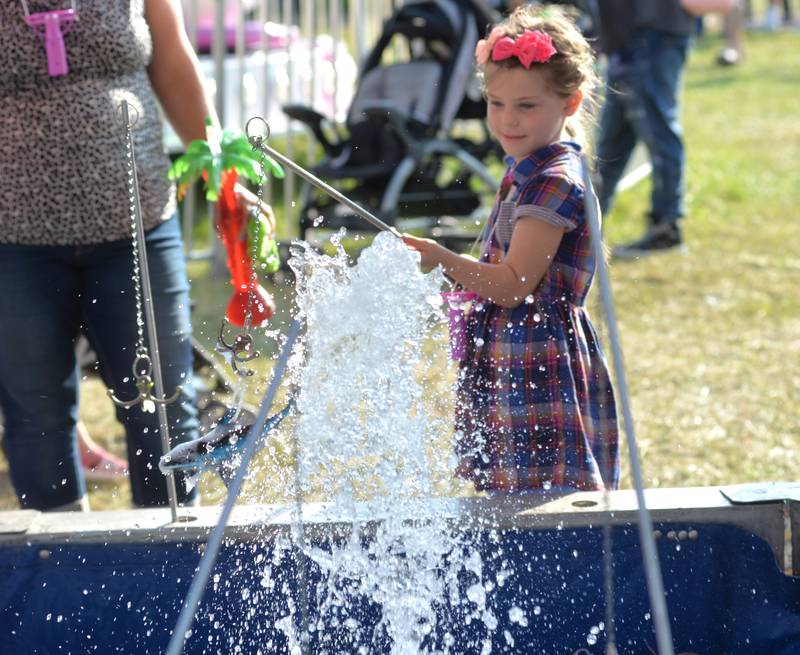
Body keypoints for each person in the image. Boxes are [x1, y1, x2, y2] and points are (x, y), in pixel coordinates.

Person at [0, 0, 270, 511]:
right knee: (35, 414)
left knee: (165, 406)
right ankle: (57, 573)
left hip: (138, 221)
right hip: (13, 236)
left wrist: (220, 171)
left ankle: (170, 565)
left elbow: (170, 58)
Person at [403, 5, 619, 492]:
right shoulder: (527, 166)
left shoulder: (554, 182)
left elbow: (515, 285)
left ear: (569, 102)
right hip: (517, 355)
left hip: (541, 363)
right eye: (496, 104)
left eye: (526, 106)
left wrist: (442, 259)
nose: (507, 120)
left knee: (544, 499)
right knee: (509, 493)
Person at [594, 0, 694, 258]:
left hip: (652, 34)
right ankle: (585, 225)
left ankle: (665, 228)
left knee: (658, 132)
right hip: (630, 39)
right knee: (612, 142)